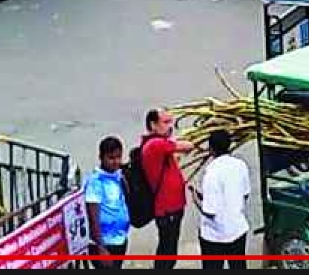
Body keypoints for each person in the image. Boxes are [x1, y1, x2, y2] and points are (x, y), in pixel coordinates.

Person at [139, 108, 195, 270]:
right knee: (167, 251)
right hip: (167, 210)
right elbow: (187, 146)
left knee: (169, 249)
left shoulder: (160, 144)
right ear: (153, 124)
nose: (170, 126)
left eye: (171, 122)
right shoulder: (155, 144)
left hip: (173, 208)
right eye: (165, 122)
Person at [194, 130, 251, 269]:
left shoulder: (212, 173)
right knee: (238, 266)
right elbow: (245, 193)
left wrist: (196, 198)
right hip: (237, 228)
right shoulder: (240, 165)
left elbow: (210, 211)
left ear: (211, 149)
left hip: (215, 235)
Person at [84, 137, 129, 268]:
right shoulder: (95, 182)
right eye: (111, 158)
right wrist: (101, 248)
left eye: (118, 157)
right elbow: (94, 219)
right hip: (104, 244)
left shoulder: (118, 176)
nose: (116, 162)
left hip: (119, 239)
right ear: (101, 157)